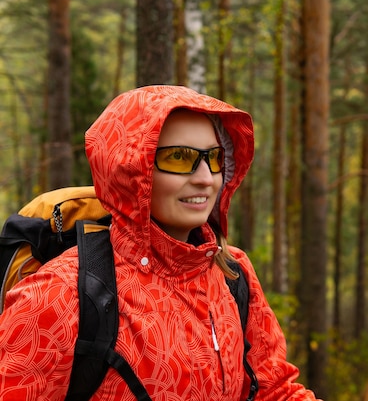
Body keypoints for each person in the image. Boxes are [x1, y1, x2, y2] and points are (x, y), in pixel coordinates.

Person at [0, 85, 320, 400]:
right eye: (180, 157)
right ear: (130, 169)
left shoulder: (232, 273)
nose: (205, 178)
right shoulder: (57, 295)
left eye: (215, 157)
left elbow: (274, 390)